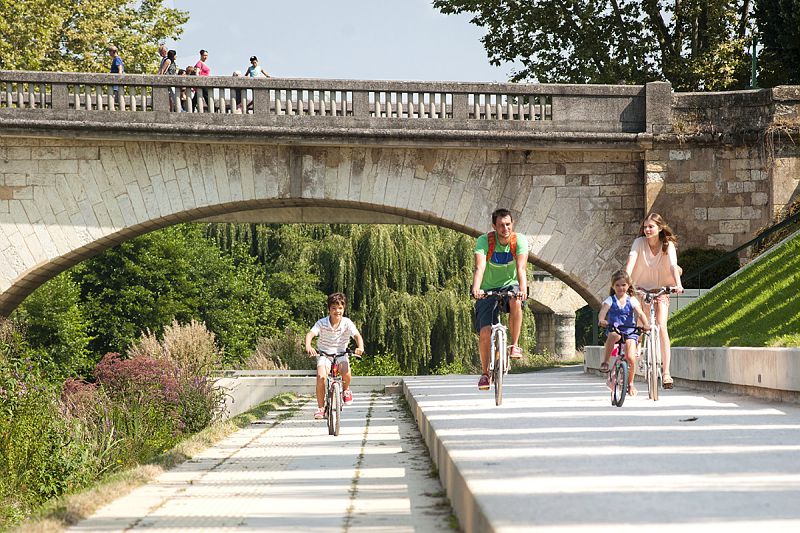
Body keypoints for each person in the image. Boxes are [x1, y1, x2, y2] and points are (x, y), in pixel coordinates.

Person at [625, 213, 684, 389]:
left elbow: (674, 265)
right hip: (641, 287)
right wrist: (626, 284)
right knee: (641, 325)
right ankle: (633, 362)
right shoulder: (639, 243)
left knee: (661, 325)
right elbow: (630, 263)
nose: (647, 230)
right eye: (645, 227)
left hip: (662, 287)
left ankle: (666, 373)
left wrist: (678, 284)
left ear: (660, 228)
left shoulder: (668, 245)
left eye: (651, 227)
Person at [471, 208, 528, 390]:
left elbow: (521, 268)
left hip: (510, 284)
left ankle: (514, 345)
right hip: (487, 288)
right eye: (501, 225)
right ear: (494, 226)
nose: (505, 228)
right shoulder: (484, 241)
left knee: (516, 300)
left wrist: (523, 289)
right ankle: (485, 374)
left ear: (512, 224)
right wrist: (476, 288)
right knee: (485, 331)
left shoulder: (518, 241)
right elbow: (479, 267)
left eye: (508, 224)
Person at [305, 292, 364, 419]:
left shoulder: (347, 323)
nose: (337, 311)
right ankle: (321, 408)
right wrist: (308, 346)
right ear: (329, 309)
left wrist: (360, 347)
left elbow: (357, 336)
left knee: (346, 372)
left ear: (344, 308)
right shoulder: (322, 323)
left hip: (341, 353)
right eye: (334, 308)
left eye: (340, 308)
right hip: (324, 354)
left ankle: (346, 389)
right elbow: (310, 334)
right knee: (321, 377)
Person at [598, 270, 651, 396]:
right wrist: (601, 320)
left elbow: (640, 313)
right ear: (613, 286)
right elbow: (603, 311)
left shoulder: (632, 300)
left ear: (628, 286)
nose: (620, 288)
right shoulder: (610, 300)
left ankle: (630, 383)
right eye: (617, 285)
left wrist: (646, 324)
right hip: (615, 329)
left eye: (623, 285)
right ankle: (605, 361)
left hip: (629, 330)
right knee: (613, 335)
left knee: (631, 358)